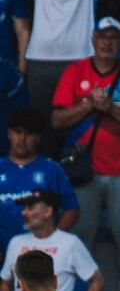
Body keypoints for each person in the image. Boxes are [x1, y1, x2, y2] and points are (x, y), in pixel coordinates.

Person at [53, 16, 120, 291]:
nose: (107, 42)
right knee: (81, 239)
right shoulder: (75, 72)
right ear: (92, 40)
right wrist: (88, 105)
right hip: (86, 172)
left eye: (113, 37)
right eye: (102, 37)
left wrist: (110, 109)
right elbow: (56, 120)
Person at [0, 188, 99, 291]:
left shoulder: (70, 243)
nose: (24, 213)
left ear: (48, 211)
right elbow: (5, 282)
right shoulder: (16, 243)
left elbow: (97, 281)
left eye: (31, 207)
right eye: (24, 208)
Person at [0, 106, 78, 247]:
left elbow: (72, 209)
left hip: (41, 254)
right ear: (9, 134)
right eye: (18, 132)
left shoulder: (52, 170)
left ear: (38, 138)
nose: (22, 138)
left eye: (29, 134)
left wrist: (52, 241)